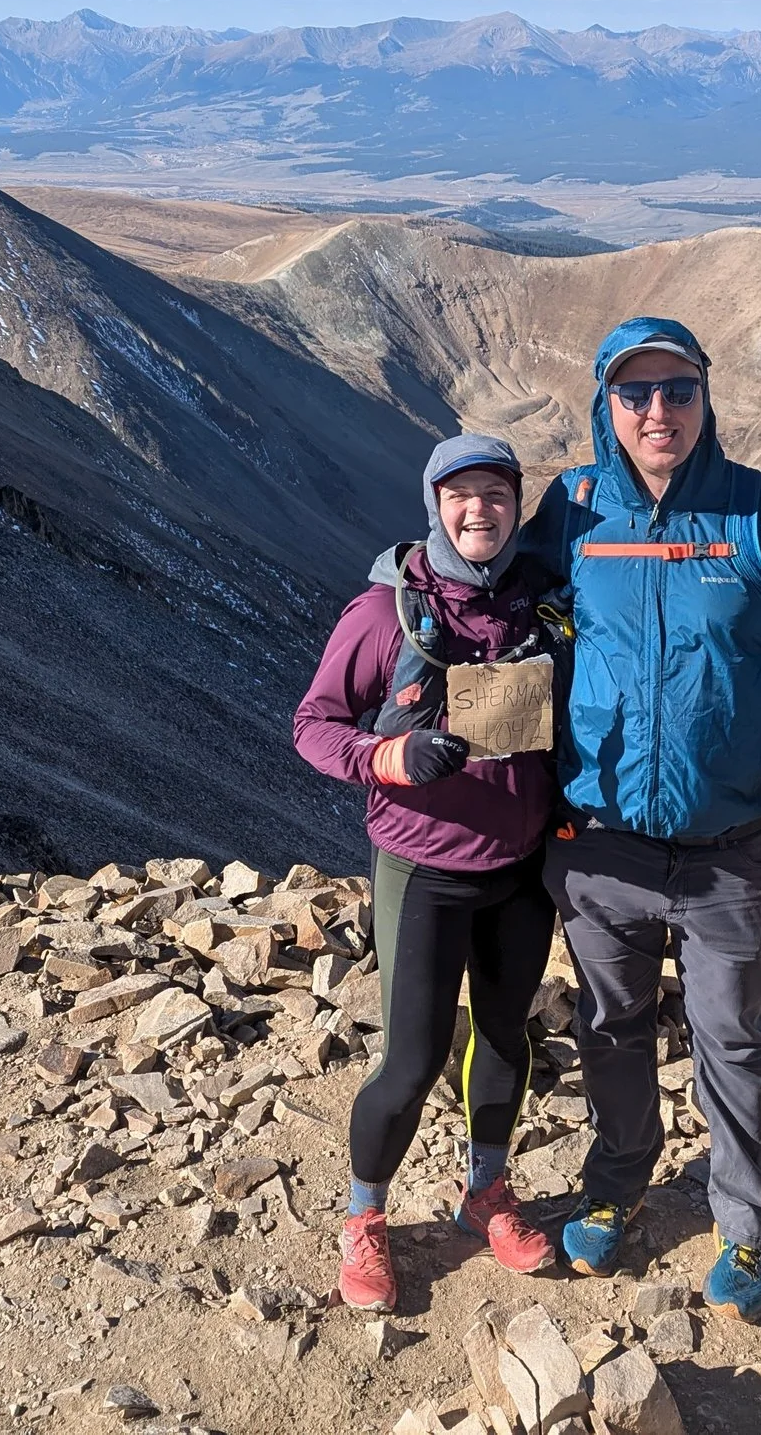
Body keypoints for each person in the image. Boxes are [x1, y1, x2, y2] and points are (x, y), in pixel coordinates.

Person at [522, 315, 761, 1323]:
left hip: (733, 851)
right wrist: (396, 610)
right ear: (605, 407)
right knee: (610, 1028)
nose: (657, 410)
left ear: (706, 396)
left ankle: (745, 1224)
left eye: (676, 389)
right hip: (599, 847)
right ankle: (618, 1183)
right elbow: (496, 608)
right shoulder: (574, 513)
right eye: (635, 394)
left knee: (734, 1039)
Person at [291, 433, 566, 1313]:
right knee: (409, 1063)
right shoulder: (386, 613)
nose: (479, 510)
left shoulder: (542, 603)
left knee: (504, 1038)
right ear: (434, 505)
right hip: (424, 868)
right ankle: (365, 1220)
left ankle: (485, 1193)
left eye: (496, 494)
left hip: (521, 868)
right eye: (462, 495)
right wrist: (392, 757)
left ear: (517, 506)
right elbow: (314, 725)